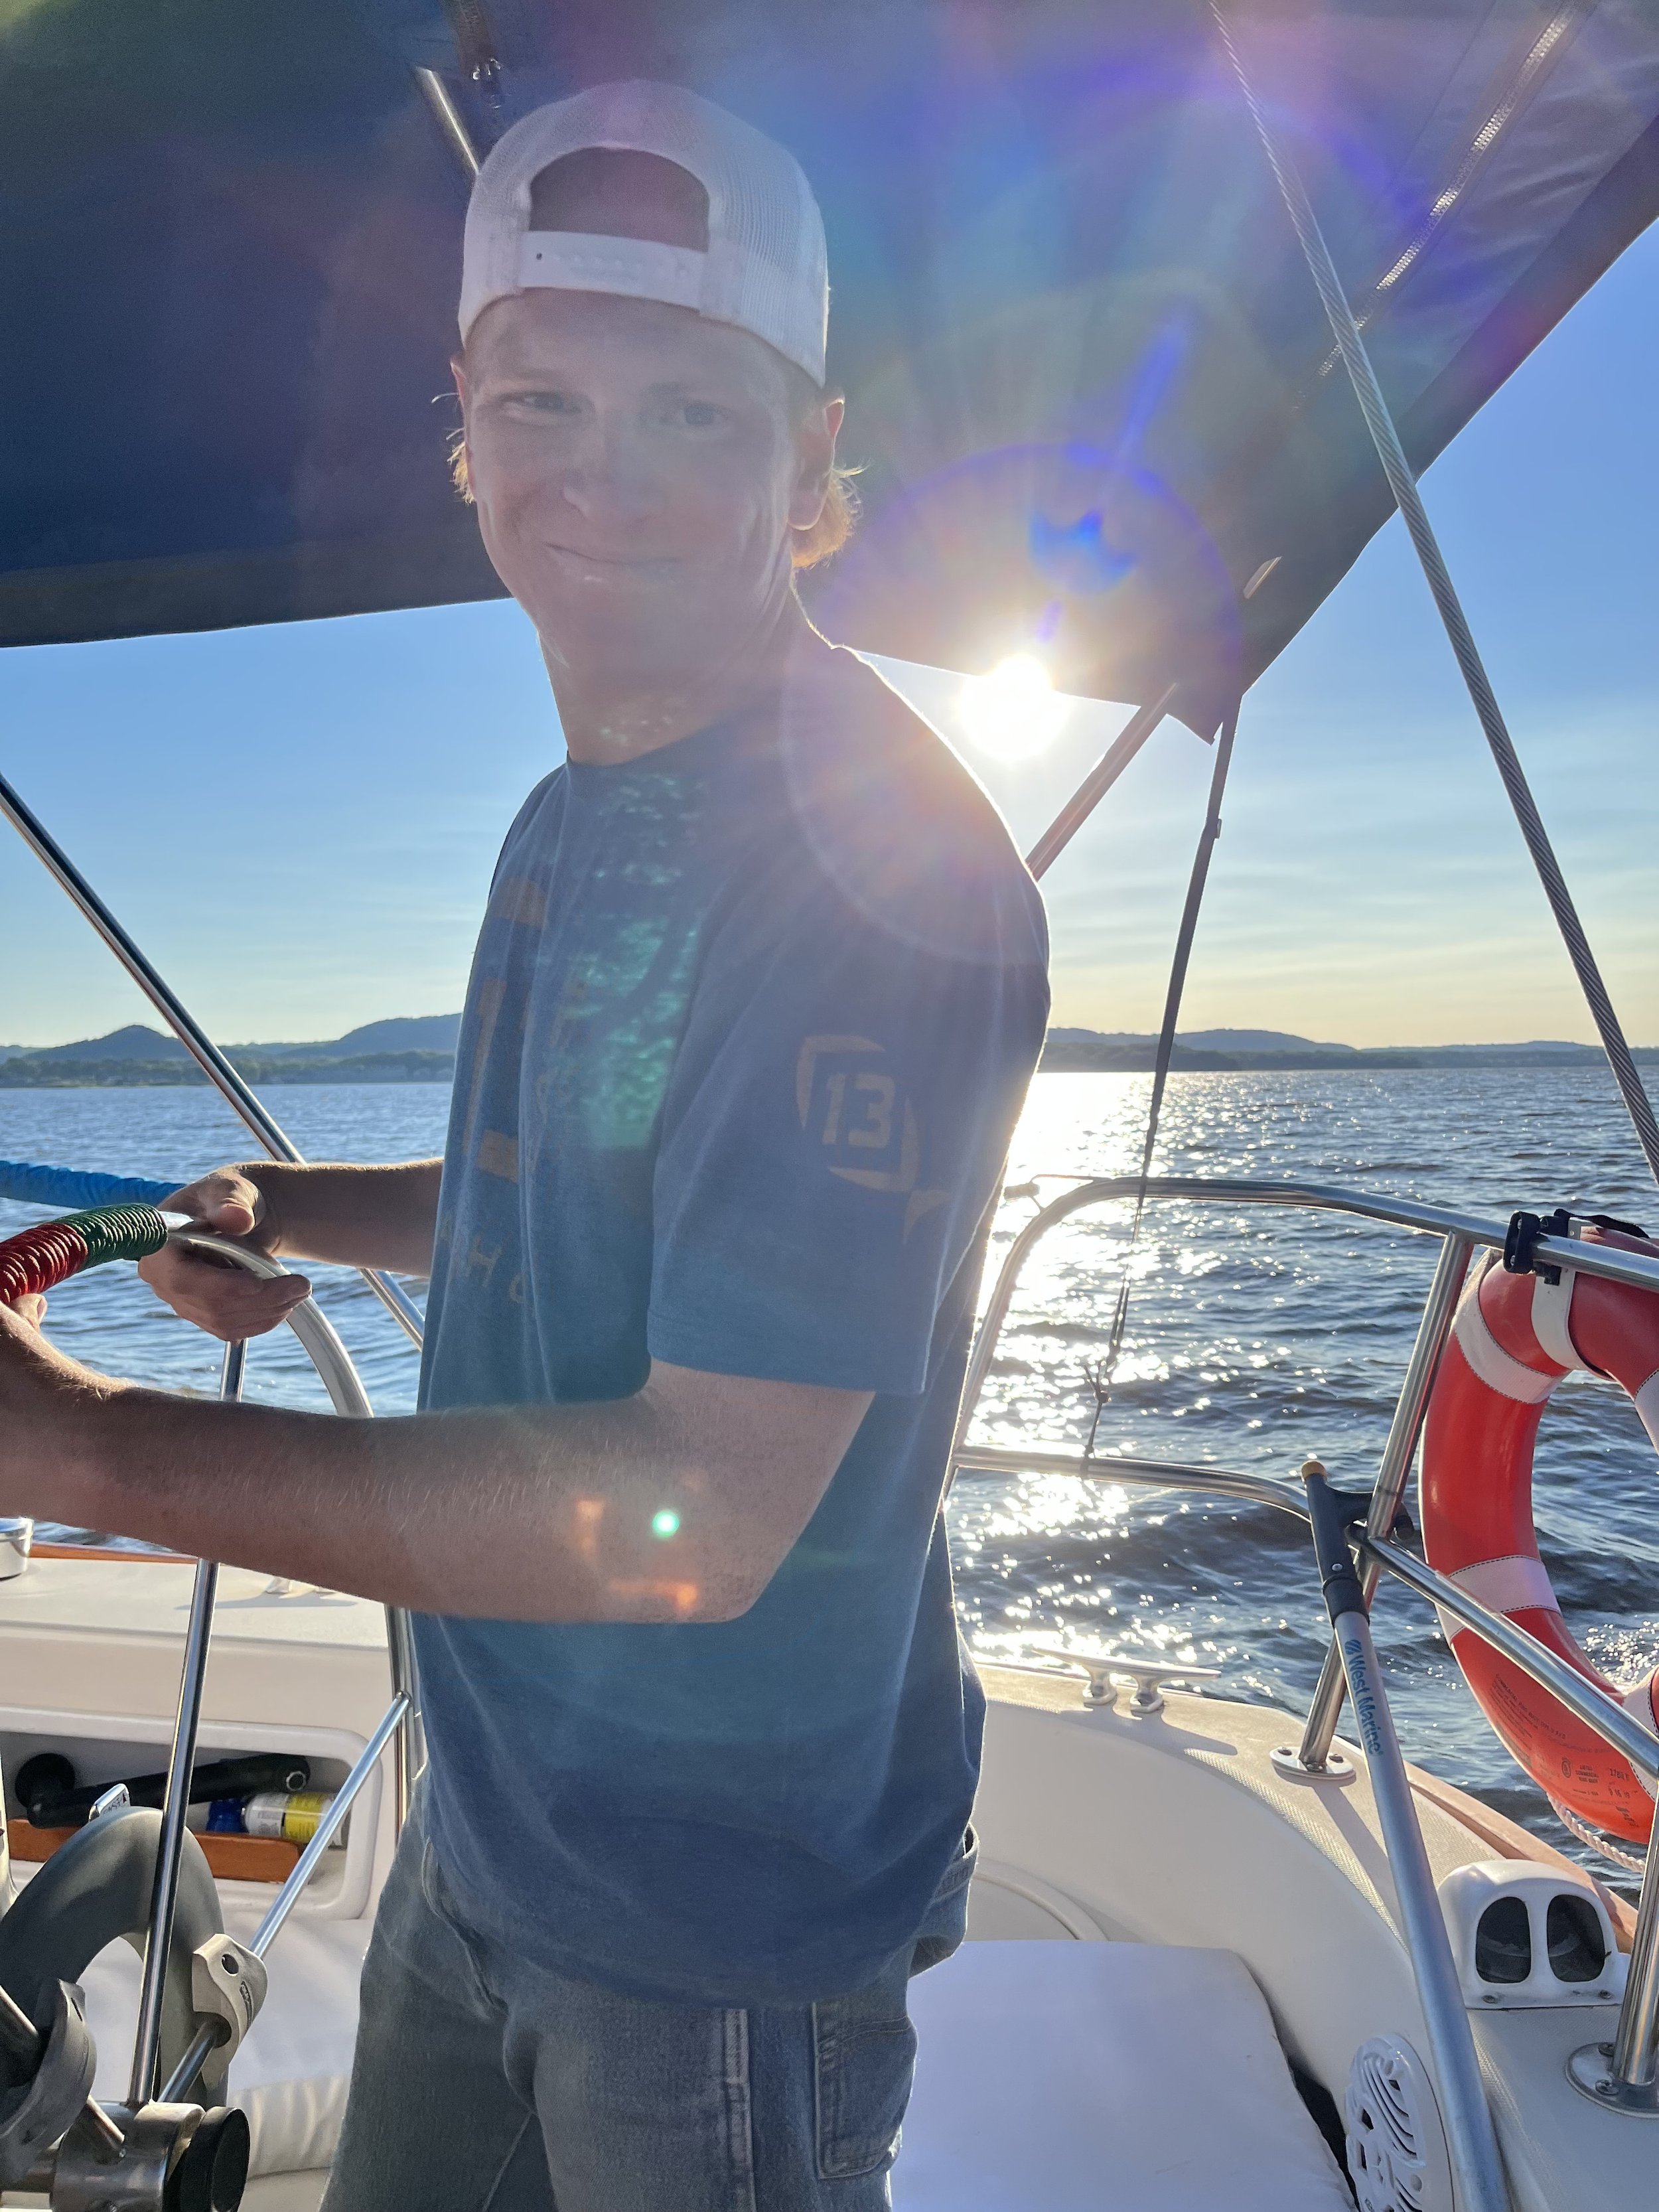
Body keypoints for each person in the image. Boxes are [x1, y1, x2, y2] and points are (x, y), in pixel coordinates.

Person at [0, 82, 1048, 2209]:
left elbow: (700, 1507)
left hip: (709, 1921)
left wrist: (79, 1447)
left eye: (693, 414)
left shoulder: (876, 868)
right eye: (545, 399)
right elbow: (560, 1200)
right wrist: (289, 1208)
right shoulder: (572, 817)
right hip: (488, 1821)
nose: (601, 476)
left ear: (818, 476)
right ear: (461, 433)